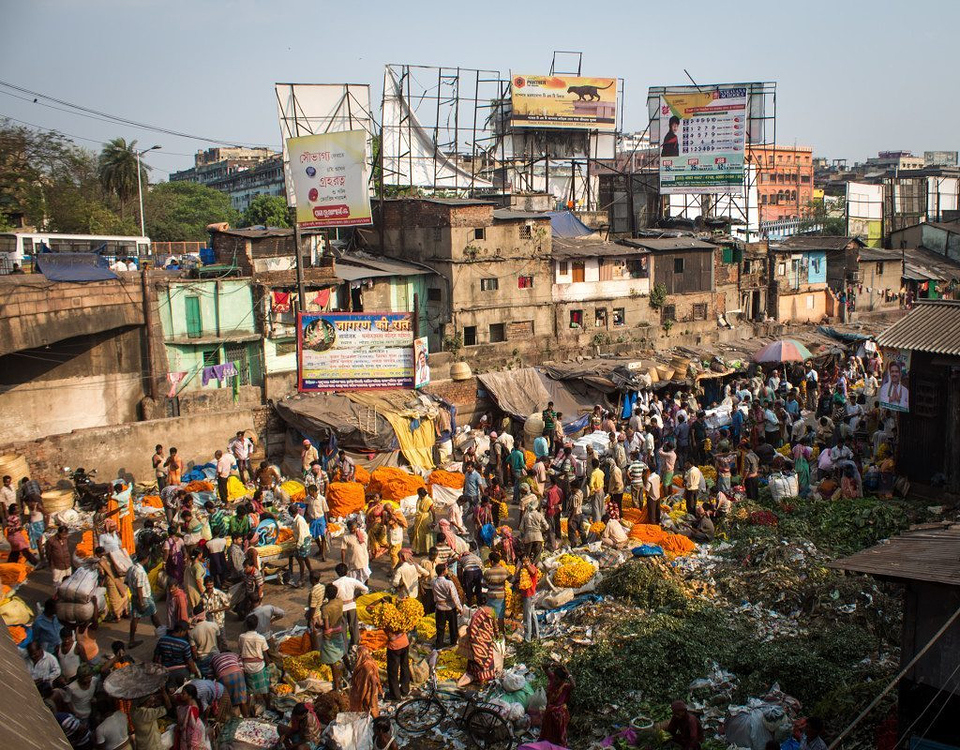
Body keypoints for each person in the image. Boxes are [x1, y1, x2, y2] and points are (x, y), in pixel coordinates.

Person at [314, 584, 347, 691]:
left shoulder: (326, 608)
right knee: (341, 653)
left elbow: (327, 626)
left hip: (330, 636)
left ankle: (337, 686)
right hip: (339, 631)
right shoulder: (340, 602)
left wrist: (318, 625)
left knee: (332, 662)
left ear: (327, 594)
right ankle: (348, 671)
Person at [459, 599, 497, 687]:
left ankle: (478, 677)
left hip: (478, 641)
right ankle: (485, 677)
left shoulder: (476, 614)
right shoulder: (491, 611)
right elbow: (495, 624)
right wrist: (496, 633)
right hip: (486, 640)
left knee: (477, 659)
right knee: (488, 658)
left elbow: (471, 626)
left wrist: (471, 635)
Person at [126, 550, 160, 648]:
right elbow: (139, 587)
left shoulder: (131, 568)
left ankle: (131, 640)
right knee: (154, 615)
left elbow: (127, 582)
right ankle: (162, 634)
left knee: (135, 619)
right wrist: (141, 602)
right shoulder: (140, 571)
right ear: (146, 559)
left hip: (135, 597)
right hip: (144, 597)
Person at [239, 614, 273, 711]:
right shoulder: (261, 638)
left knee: (249, 691)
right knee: (265, 690)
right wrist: (268, 664)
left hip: (247, 667)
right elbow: (265, 654)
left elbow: (240, 650)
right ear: (256, 625)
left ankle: (249, 710)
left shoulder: (242, 637)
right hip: (259, 666)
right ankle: (268, 708)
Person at [331, 562, 368, 650]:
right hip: (351, 605)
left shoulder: (334, 584)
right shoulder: (352, 581)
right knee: (353, 626)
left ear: (337, 573)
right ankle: (355, 643)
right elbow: (365, 589)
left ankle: (344, 645)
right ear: (347, 572)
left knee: (342, 627)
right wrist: (357, 596)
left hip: (341, 608)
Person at [382, 602, 411, 701]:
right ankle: (405, 690)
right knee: (404, 666)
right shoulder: (401, 615)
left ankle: (395, 695)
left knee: (393, 671)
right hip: (405, 643)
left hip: (395, 647)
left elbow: (391, 637)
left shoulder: (386, 619)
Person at [540, 664, 575, 746]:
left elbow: (574, 685)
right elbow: (544, 666)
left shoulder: (565, 687)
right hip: (549, 712)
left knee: (558, 733)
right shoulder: (552, 679)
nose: (555, 680)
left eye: (557, 679)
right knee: (548, 732)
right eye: (555, 678)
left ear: (562, 680)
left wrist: (568, 673)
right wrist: (552, 664)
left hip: (559, 714)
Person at [432, 563, 462, 648]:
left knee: (440, 628)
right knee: (453, 627)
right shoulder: (449, 583)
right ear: (443, 572)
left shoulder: (433, 582)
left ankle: (439, 645)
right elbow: (454, 596)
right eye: (446, 569)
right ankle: (453, 643)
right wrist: (459, 607)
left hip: (439, 607)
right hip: (450, 607)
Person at [96, 545, 129, 622]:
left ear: (97, 554)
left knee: (114, 598)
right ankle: (125, 611)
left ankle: (117, 616)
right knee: (123, 594)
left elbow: (102, 573)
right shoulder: (111, 556)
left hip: (111, 580)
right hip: (120, 577)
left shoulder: (101, 561)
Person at [349, 645, 382, 717]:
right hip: (365, 691)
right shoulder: (364, 663)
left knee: (371, 709)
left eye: (357, 654)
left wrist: (371, 699)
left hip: (369, 692)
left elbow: (373, 682)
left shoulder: (367, 666)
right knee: (366, 710)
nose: (356, 657)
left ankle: (375, 723)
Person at [286, 504, 313, 587]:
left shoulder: (299, 521)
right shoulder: (297, 519)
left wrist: (298, 546)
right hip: (302, 540)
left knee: (300, 559)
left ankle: (302, 578)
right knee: (305, 558)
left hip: (304, 541)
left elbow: (301, 535)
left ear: (290, 513)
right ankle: (311, 572)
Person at [515, 555, 540, 642]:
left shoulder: (531, 568)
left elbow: (533, 572)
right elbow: (516, 576)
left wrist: (527, 565)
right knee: (532, 615)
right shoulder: (524, 570)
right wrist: (519, 567)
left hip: (529, 595)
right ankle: (536, 635)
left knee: (527, 617)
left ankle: (527, 638)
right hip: (529, 595)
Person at [483, 552, 510, 632]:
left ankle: (493, 633)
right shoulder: (504, 571)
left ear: (491, 561)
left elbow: (483, 585)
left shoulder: (488, 572)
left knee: (491, 617)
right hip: (501, 597)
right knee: (501, 617)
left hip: (491, 597)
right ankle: (501, 634)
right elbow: (512, 580)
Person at [175, 683, 207, 750]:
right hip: (192, 729)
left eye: (183, 694)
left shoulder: (192, 709)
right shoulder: (188, 703)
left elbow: (190, 728)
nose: (181, 695)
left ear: (190, 696)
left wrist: (180, 728)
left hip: (193, 732)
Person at [341, 519, 370, 583]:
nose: (352, 530)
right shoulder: (346, 537)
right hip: (353, 560)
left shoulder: (362, 533)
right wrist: (343, 563)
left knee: (366, 575)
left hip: (363, 558)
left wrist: (369, 551)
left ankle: (365, 588)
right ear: (348, 528)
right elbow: (343, 550)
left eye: (354, 529)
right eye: (351, 529)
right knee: (354, 578)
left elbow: (367, 543)